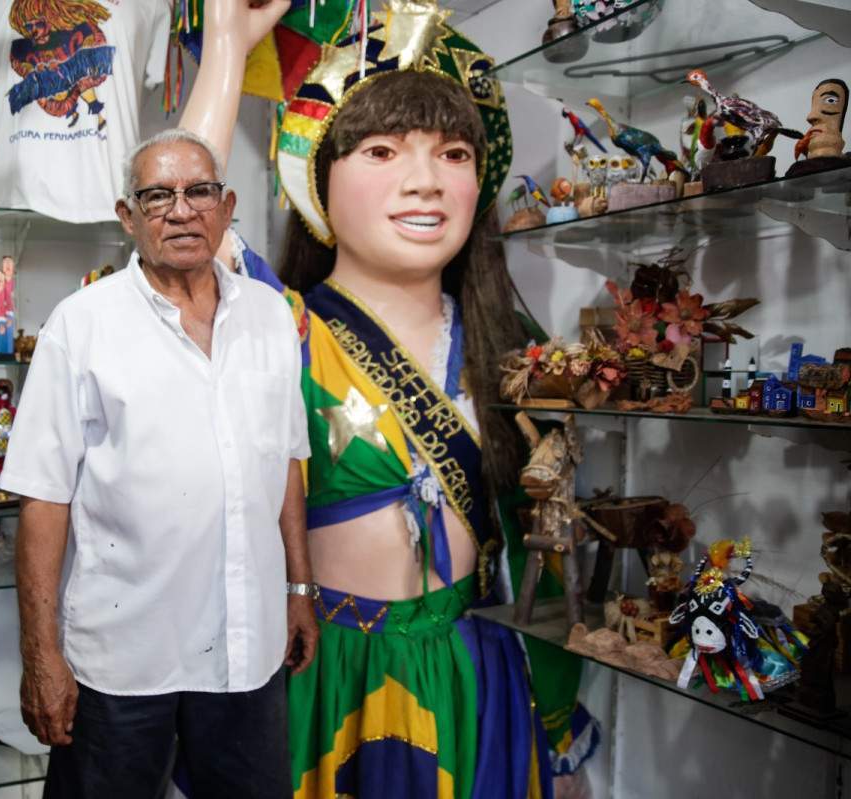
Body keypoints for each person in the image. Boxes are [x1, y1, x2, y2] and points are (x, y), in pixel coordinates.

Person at [179, 1, 599, 796]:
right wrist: (227, 50)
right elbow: (182, 215)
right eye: (380, 149)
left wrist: (554, 719)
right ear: (318, 181)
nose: (425, 182)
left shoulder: (513, 342)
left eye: (453, 154)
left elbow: (548, 540)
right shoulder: (281, 325)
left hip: (474, 665)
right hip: (323, 668)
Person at [0, 126, 319, 799]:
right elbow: (43, 496)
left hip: (246, 650)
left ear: (226, 207)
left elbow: (286, 458)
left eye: (199, 191)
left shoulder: (270, 315)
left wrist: (298, 589)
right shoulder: (81, 325)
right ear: (128, 216)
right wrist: (41, 655)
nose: (181, 210)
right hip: (123, 659)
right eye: (157, 195)